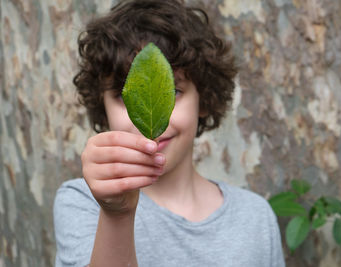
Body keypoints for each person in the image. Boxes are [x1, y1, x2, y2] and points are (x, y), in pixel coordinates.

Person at [53, 0, 285, 266]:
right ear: (102, 106)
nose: (149, 112)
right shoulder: (83, 202)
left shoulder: (255, 216)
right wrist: (117, 215)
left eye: (172, 91)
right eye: (125, 96)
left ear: (204, 99)